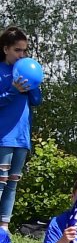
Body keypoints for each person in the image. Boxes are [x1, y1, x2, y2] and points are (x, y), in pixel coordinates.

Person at [0, 28, 43, 231]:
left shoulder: (26, 70)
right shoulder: (1, 71)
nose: (22, 55)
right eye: (17, 50)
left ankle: (4, 226)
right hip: (3, 136)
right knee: (0, 181)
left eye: (24, 51)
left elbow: (36, 101)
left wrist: (33, 85)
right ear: (5, 48)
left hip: (21, 137)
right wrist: (12, 91)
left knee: (12, 183)